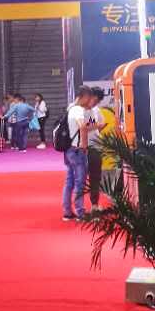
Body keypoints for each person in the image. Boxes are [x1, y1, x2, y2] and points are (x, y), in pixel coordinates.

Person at [62, 87, 96, 221]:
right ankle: (80, 212)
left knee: (69, 181)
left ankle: (67, 212)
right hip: (77, 150)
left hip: (69, 149)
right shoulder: (78, 110)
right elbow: (82, 126)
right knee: (80, 182)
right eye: (89, 98)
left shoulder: (70, 107)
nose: (89, 101)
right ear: (84, 96)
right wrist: (85, 145)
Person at [86, 88, 108, 208]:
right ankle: (78, 209)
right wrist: (95, 127)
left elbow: (102, 123)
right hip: (82, 148)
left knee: (95, 176)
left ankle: (94, 204)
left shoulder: (96, 110)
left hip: (95, 147)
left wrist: (96, 129)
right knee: (78, 179)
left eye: (98, 101)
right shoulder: (79, 110)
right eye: (97, 100)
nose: (96, 103)